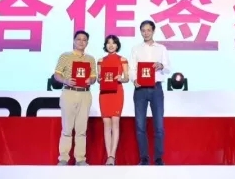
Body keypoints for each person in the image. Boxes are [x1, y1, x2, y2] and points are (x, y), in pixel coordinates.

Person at [53, 30, 97, 166]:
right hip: (69, 93)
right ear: (74, 41)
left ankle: (80, 159)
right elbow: (56, 75)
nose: (81, 42)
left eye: (84, 40)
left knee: (81, 129)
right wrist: (66, 80)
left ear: (87, 43)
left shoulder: (90, 59)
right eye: (78, 39)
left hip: (85, 94)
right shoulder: (65, 56)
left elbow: (94, 77)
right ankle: (63, 159)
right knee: (67, 128)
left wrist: (91, 80)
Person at [129, 20, 170, 166]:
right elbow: (132, 68)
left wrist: (161, 65)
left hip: (156, 88)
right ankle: (144, 158)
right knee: (140, 125)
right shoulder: (136, 49)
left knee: (159, 125)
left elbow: (168, 68)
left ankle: (158, 158)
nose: (145, 33)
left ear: (153, 31)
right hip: (140, 89)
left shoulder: (161, 48)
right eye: (143, 30)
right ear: (140, 32)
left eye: (148, 30)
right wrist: (134, 80)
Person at [97, 35, 129, 165]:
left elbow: (127, 78)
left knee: (115, 122)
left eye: (113, 43)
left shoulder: (122, 59)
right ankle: (108, 154)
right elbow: (99, 78)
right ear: (105, 45)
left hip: (116, 93)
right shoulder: (100, 60)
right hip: (105, 94)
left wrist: (121, 78)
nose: (111, 45)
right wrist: (99, 79)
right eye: (108, 43)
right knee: (106, 124)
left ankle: (112, 156)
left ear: (117, 45)